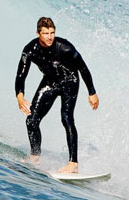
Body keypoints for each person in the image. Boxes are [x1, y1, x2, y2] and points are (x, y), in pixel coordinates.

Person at [15, 16, 99, 174]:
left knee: (66, 118)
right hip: (50, 82)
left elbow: (83, 68)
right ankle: (35, 156)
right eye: (46, 33)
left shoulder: (64, 47)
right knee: (31, 120)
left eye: (52, 33)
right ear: (38, 33)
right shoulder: (30, 50)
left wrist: (92, 92)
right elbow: (21, 74)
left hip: (70, 81)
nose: (49, 37)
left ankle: (73, 164)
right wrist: (20, 95)